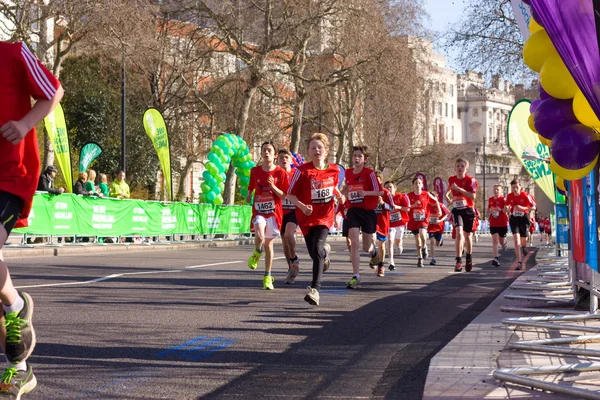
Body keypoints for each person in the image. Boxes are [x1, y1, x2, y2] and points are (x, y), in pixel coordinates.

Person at [0, 40, 64, 398]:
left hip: (10, 175)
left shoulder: (12, 52)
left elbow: (54, 90)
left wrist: (25, 124)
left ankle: (17, 305)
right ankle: (18, 368)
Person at [287, 133, 340, 305]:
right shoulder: (301, 171)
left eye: (320, 147)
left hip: (324, 216)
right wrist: (302, 206)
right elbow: (290, 194)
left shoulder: (334, 170)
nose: (317, 150)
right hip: (306, 217)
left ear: (326, 151)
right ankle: (325, 253)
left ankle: (315, 290)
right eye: (313, 147)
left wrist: (339, 195)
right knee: (314, 253)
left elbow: (333, 186)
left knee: (316, 248)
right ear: (308, 152)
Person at [246, 141, 289, 290]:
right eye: (264, 150)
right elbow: (251, 186)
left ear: (275, 155)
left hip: (274, 213)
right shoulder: (255, 171)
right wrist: (248, 194)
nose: (266, 153)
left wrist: (272, 186)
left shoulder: (280, 173)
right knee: (259, 233)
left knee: (269, 245)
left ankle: (267, 276)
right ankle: (257, 252)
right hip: (259, 211)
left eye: (269, 150)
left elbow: (283, 196)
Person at [343, 145, 383, 289]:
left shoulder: (370, 173)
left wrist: (365, 193)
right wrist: (343, 193)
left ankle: (373, 252)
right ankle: (356, 276)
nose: (356, 158)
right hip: (353, 210)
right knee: (354, 241)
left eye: (359, 156)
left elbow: (380, 192)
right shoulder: (347, 173)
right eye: (355, 156)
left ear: (364, 159)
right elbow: (347, 187)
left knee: (366, 247)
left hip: (367, 211)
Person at [446, 158, 478, 272]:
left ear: (466, 169)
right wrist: (447, 196)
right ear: (454, 168)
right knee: (459, 233)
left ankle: (469, 258)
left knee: (468, 235)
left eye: (462, 166)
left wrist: (459, 189)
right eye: (458, 166)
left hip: (468, 210)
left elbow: (473, 196)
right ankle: (458, 261)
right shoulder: (451, 179)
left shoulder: (471, 180)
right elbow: (450, 189)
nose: (460, 168)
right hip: (457, 210)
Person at [277, 149, 300, 285]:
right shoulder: (275, 174)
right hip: (280, 212)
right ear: (277, 161)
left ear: (291, 161)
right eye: (281, 158)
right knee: (284, 242)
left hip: (293, 211)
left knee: (289, 235)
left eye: (286, 157)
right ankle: (291, 268)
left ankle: (294, 258)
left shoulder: (295, 174)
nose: (284, 160)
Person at [407, 177, 440, 267]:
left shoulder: (426, 194)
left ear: (422, 185)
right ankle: (419, 257)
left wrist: (439, 210)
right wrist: (413, 205)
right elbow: (406, 207)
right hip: (413, 220)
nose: (417, 185)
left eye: (419, 183)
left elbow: (436, 201)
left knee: (422, 234)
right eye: (416, 183)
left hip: (424, 219)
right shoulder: (409, 195)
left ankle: (424, 246)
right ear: (413, 185)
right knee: (417, 239)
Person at [505, 179, 536, 270]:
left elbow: (534, 207)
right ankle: (519, 262)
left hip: (524, 218)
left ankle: (524, 247)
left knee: (523, 240)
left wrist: (522, 208)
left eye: (516, 187)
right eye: (513, 188)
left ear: (520, 187)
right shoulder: (509, 196)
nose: (515, 189)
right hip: (514, 218)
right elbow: (506, 206)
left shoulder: (526, 195)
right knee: (516, 241)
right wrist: (506, 208)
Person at [384, 181, 410, 271]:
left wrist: (397, 207)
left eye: (390, 187)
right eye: (386, 187)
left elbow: (408, 208)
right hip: (390, 224)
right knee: (390, 240)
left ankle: (399, 245)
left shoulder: (401, 197)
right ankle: (391, 261)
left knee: (398, 241)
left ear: (395, 188)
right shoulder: (384, 198)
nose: (388, 189)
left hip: (400, 223)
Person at [373, 176, 395, 277]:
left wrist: (382, 203)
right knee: (371, 240)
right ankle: (373, 255)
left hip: (383, 223)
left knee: (381, 245)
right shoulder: (368, 192)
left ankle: (381, 265)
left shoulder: (386, 192)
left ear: (381, 181)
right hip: (371, 221)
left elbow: (391, 207)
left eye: (377, 179)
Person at [488, 184, 509, 267]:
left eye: (498, 189)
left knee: (501, 241)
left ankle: (504, 243)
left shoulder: (504, 199)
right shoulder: (490, 199)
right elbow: (488, 210)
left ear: (501, 191)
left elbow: (506, 210)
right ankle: (496, 258)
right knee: (495, 241)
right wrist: (490, 211)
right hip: (493, 223)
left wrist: (501, 209)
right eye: (495, 189)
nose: (496, 191)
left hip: (502, 223)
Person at [427, 193, 449, 266]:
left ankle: (440, 240)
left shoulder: (441, 205)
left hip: (439, 226)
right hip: (430, 226)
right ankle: (433, 259)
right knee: (432, 241)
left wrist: (440, 220)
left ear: (436, 198)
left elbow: (447, 214)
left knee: (438, 244)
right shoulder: (427, 206)